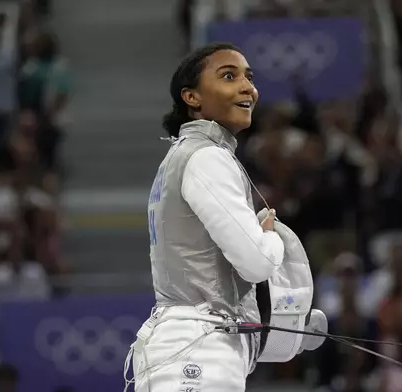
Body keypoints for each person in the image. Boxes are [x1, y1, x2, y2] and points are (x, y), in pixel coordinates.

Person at [125, 42, 285, 392]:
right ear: (192, 97)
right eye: (229, 76)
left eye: (249, 77)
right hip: (199, 347)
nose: (247, 87)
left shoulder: (182, 156)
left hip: (186, 345)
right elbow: (257, 263)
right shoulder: (206, 158)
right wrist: (272, 237)